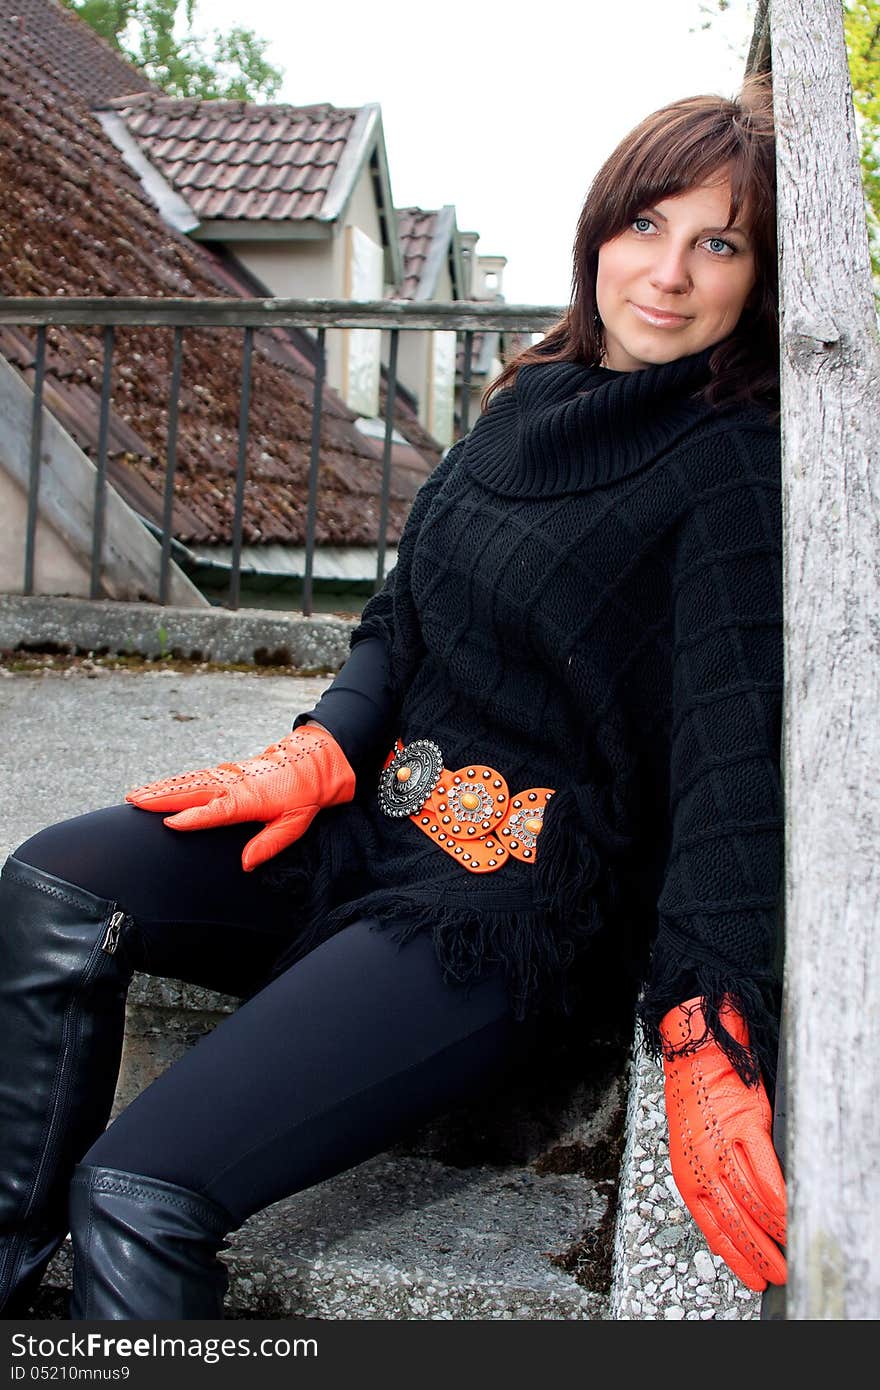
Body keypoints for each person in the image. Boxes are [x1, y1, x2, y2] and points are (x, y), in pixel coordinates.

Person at [0, 73, 787, 1321]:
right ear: (598, 229)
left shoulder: (733, 467)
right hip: (368, 824)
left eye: (719, 243)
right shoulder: (527, 399)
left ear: (758, 281)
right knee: (54, 882)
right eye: (645, 224)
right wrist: (318, 746)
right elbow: (399, 618)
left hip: (503, 913)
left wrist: (708, 1014)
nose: (668, 271)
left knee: (139, 1188)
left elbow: (734, 755)